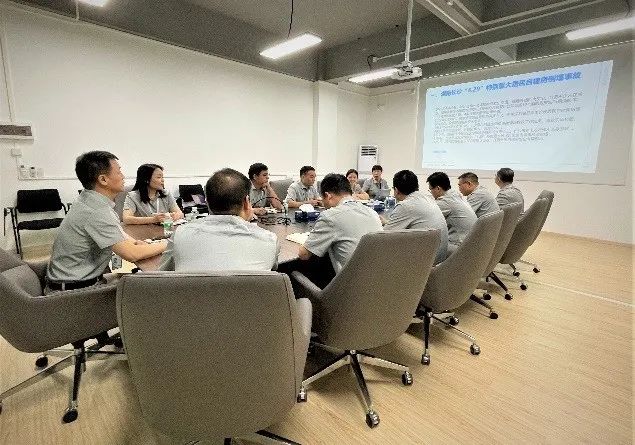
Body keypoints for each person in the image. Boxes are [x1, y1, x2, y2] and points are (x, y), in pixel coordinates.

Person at [46, 151, 167, 293]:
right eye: (119, 172)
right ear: (103, 179)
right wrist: (169, 243)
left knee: (136, 278)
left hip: (73, 280)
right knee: (149, 290)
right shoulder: (97, 211)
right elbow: (132, 254)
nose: (123, 176)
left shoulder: (88, 200)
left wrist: (137, 242)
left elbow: (120, 235)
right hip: (75, 292)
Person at [159, 168, 278, 271]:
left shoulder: (180, 235)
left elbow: (161, 276)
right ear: (247, 203)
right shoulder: (270, 240)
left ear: (207, 203)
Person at [299, 173, 382, 274]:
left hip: (351, 282)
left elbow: (304, 255)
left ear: (328, 196)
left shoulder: (330, 216)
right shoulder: (372, 212)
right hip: (381, 277)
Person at [384, 170, 448, 264]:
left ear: (396, 190)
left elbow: (383, 237)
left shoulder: (405, 205)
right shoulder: (427, 197)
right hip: (440, 258)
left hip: (424, 265)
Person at [427, 172, 477, 255]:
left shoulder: (445, 202)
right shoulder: (455, 195)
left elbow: (426, 217)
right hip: (471, 243)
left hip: (459, 247)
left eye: (430, 189)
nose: (431, 192)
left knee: (423, 246)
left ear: (438, 188)